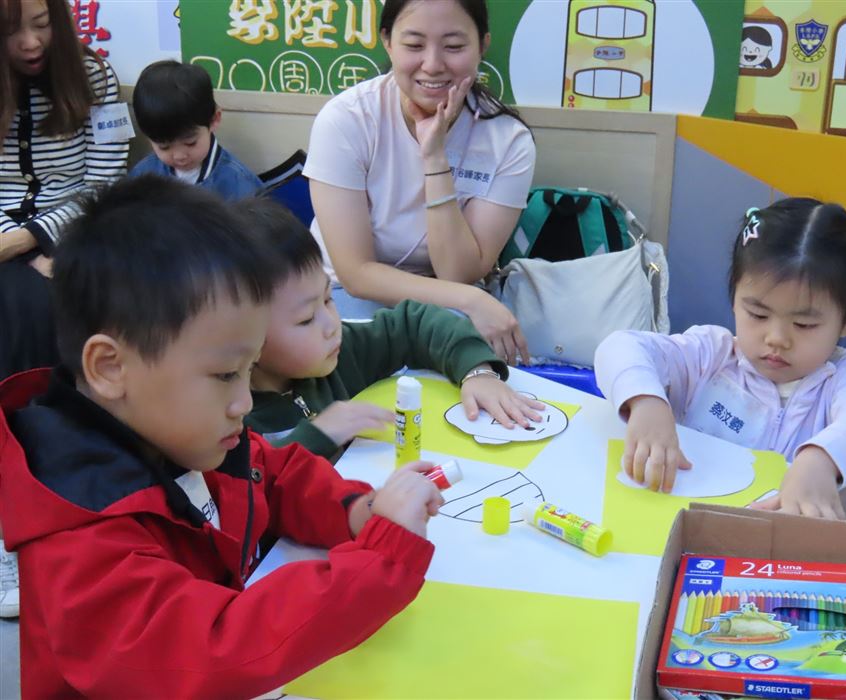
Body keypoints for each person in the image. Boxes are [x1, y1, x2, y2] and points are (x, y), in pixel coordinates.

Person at [0, 176, 441, 697]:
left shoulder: (182, 434)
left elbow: (274, 474)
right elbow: (209, 648)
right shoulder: (80, 543)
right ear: (110, 367)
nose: (245, 402)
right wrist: (381, 560)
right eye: (226, 374)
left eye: (249, 370)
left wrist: (357, 511)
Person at [595, 198, 846, 520]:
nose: (776, 338)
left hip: (787, 545)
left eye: (804, 324)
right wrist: (646, 402)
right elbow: (619, 347)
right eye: (758, 314)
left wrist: (821, 460)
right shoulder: (711, 355)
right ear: (734, 299)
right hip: (678, 529)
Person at [305, 0, 535, 365]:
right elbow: (355, 274)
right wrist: (473, 300)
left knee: (475, 366)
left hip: (447, 298)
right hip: (343, 295)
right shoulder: (345, 120)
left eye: (454, 46)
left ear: (482, 45)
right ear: (387, 41)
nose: (432, 64)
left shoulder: (508, 141)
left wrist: (435, 159)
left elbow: (457, 274)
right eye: (414, 44)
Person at [235, 197, 543, 460]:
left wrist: (477, 372)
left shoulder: (338, 352)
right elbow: (244, 486)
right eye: (305, 319)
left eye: (328, 300)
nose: (331, 325)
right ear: (244, 337)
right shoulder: (229, 417)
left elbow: (414, 324)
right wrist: (320, 434)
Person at [0, 0, 129, 619]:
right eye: (11, 29)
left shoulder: (95, 76)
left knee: (33, 300)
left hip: (73, 235)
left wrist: (33, 240)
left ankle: (39, 510)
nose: (31, 42)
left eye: (42, 23)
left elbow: (104, 184)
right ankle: (17, 515)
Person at [129, 59, 261, 200]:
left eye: (190, 143)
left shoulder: (239, 184)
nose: (179, 156)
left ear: (214, 120)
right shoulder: (142, 176)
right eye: (164, 147)